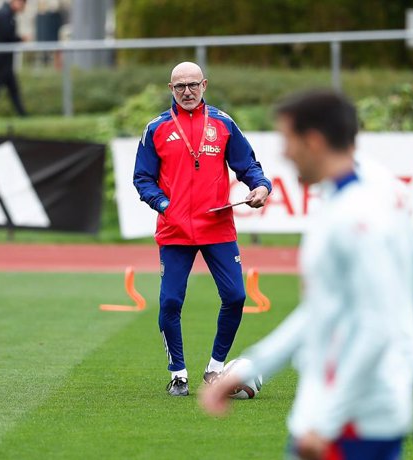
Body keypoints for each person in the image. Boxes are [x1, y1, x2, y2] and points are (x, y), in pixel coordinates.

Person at [199, 90, 413, 460]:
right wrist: (253, 367)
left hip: (348, 419)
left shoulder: (355, 216)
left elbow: (377, 324)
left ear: (314, 141)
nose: (285, 155)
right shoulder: (371, 188)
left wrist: (327, 419)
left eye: (288, 141)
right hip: (360, 408)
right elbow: (409, 277)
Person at [133, 61, 272, 397]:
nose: (187, 91)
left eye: (193, 84)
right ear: (171, 89)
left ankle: (215, 369)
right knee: (169, 302)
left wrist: (261, 187)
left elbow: (249, 166)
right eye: (180, 86)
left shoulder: (223, 124)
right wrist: (167, 207)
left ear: (204, 85)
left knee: (236, 296)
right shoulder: (156, 129)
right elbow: (142, 179)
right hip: (175, 230)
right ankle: (178, 374)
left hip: (217, 226)